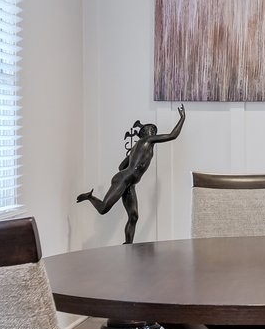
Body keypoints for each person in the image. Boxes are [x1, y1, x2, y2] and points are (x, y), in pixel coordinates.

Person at [77, 105, 186, 245]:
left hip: (129, 182)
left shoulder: (138, 146)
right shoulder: (147, 140)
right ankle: (90, 196)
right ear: (146, 133)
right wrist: (182, 118)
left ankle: (128, 245)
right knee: (103, 209)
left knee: (133, 216)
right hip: (124, 179)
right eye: (152, 130)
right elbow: (172, 135)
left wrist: (132, 158)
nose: (154, 132)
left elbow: (121, 167)